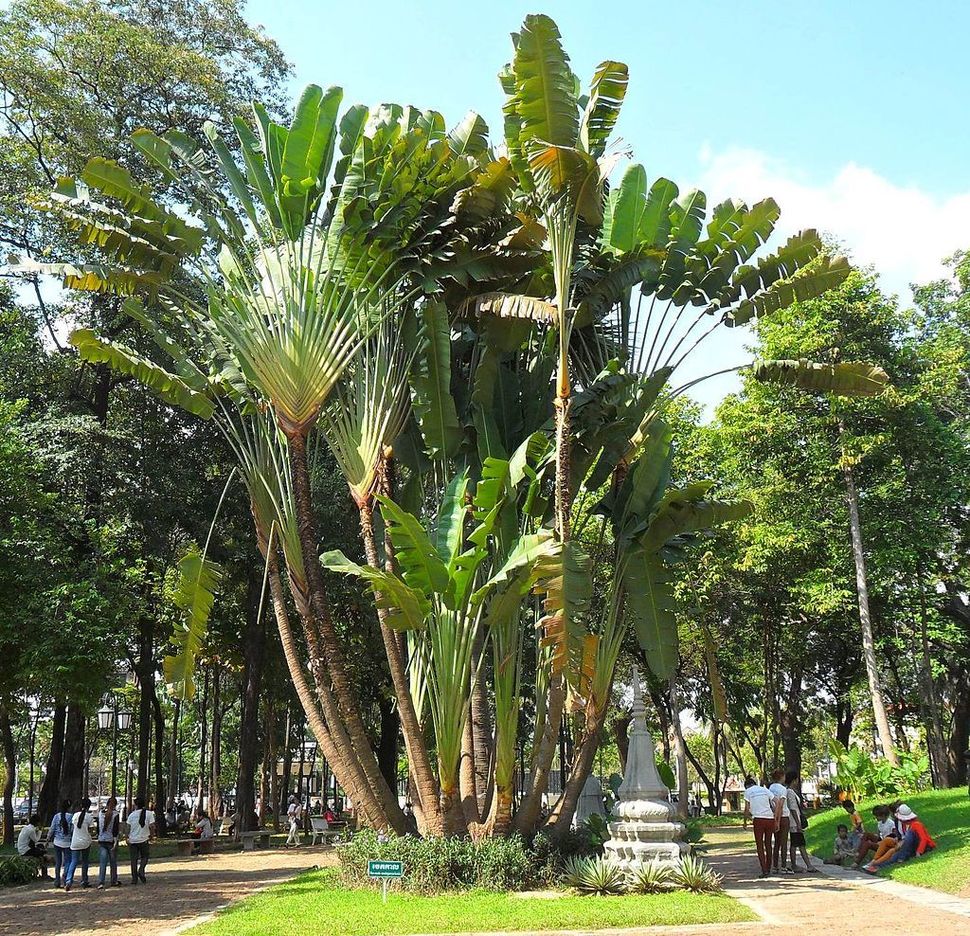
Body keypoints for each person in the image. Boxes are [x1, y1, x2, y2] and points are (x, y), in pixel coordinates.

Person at [864, 804, 936, 874]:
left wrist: (919, 852)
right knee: (894, 853)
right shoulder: (904, 825)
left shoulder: (916, 824)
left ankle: (877, 864)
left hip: (924, 847)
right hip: (909, 845)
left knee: (899, 848)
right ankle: (876, 865)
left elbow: (924, 839)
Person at [743, 776, 779, 878]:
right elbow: (777, 802)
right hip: (769, 818)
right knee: (768, 844)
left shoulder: (748, 791)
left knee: (760, 845)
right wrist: (776, 818)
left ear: (746, 786)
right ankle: (768, 867)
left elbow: (746, 808)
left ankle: (764, 870)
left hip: (758, 819)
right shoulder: (764, 789)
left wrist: (745, 821)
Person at [784, 770, 818, 873]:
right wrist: (798, 824)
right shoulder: (790, 792)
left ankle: (806, 865)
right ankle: (799, 865)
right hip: (794, 822)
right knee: (797, 843)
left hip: (795, 821)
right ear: (794, 780)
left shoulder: (790, 791)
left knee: (797, 843)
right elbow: (793, 808)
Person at [64, 797, 96, 892]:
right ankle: (84, 880)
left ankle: (68, 880)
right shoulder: (89, 817)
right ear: (89, 807)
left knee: (73, 861)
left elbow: (73, 827)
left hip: (75, 841)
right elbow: (91, 830)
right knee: (85, 862)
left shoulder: (75, 815)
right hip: (85, 841)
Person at [768, 769, 793, 874]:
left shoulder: (771, 788)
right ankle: (783, 865)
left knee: (776, 842)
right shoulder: (783, 789)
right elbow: (781, 805)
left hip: (773, 815)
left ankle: (774, 866)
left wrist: (774, 817)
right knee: (783, 842)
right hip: (783, 817)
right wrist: (778, 819)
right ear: (781, 777)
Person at [126, 796, 156, 884]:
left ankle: (134, 878)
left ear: (135, 805)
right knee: (145, 856)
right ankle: (141, 869)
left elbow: (128, 827)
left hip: (133, 840)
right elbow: (152, 826)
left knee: (133, 859)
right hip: (144, 839)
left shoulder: (132, 815)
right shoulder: (149, 814)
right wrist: (151, 835)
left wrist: (127, 837)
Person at [96, 796, 122, 889]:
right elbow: (115, 830)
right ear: (115, 805)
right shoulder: (115, 814)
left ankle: (101, 882)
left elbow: (98, 828)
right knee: (113, 862)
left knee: (102, 862)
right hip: (111, 840)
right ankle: (113, 880)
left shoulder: (100, 813)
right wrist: (116, 841)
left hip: (102, 839)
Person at [16, 814, 50, 878]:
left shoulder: (26, 828)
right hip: (25, 850)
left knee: (41, 846)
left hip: (23, 849)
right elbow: (36, 840)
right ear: (37, 822)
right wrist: (40, 831)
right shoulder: (31, 830)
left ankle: (40, 870)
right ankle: (44, 874)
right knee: (43, 852)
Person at [49, 799, 73, 888]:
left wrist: (48, 839)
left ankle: (57, 881)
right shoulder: (71, 817)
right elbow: (72, 830)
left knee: (58, 862)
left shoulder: (56, 816)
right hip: (67, 843)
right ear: (69, 807)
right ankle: (65, 876)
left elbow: (52, 829)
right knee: (68, 861)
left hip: (57, 842)